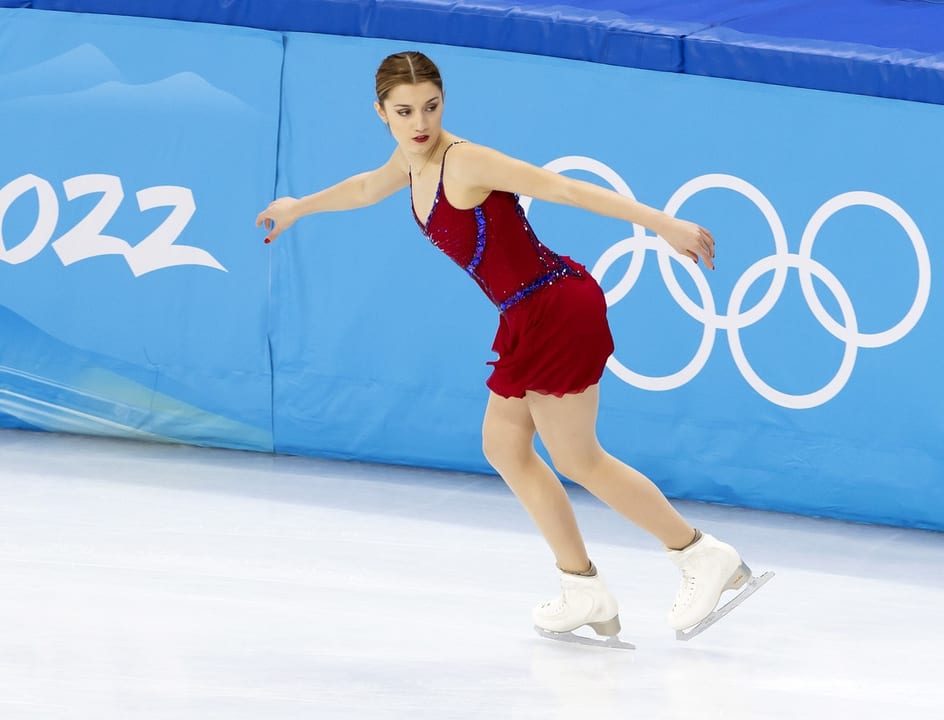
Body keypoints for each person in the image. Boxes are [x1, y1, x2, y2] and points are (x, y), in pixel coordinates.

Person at [256, 51, 752, 639]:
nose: (421, 123)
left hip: (557, 307)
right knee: (505, 445)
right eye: (405, 111)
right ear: (381, 112)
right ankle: (582, 587)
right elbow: (366, 186)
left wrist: (663, 223)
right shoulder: (410, 161)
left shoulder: (465, 162)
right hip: (524, 314)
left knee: (577, 458)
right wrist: (300, 207)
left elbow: (563, 189)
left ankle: (699, 555)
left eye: (432, 107)